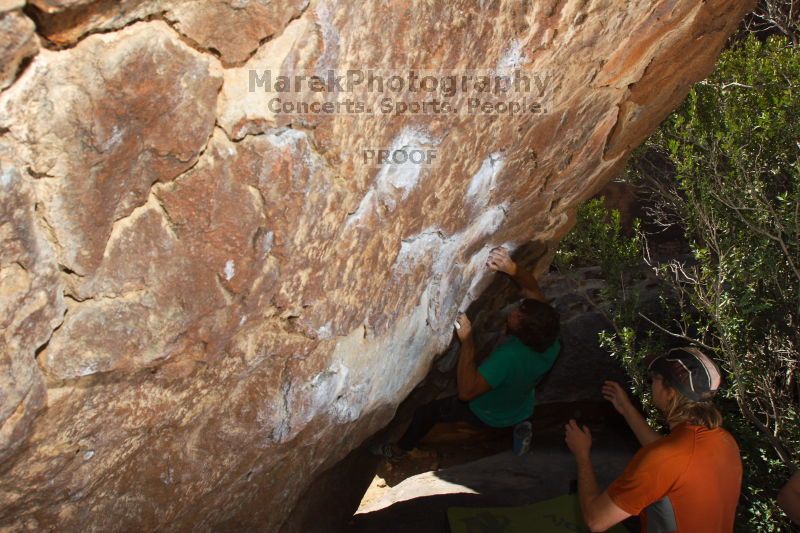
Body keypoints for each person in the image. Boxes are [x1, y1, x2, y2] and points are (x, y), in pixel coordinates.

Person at [372, 247, 561, 459]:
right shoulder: (549, 336)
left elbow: (467, 392)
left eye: (518, 316)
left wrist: (467, 340)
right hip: (520, 405)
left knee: (427, 413)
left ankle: (399, 449)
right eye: (521, 308)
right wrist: (511, 268)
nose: (516, 310)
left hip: (488, 412)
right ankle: (522, 425)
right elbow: (532, 289)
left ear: (523, 333)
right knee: (516, 400)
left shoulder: (509, 357)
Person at [564, 348, 742, 532]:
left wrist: (582, 455)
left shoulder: (664, 458)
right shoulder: (725, 441)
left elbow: (596, 520)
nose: (652, 384)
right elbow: (672, 462)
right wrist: (626, 409)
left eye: (655, 378)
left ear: (671, 392)